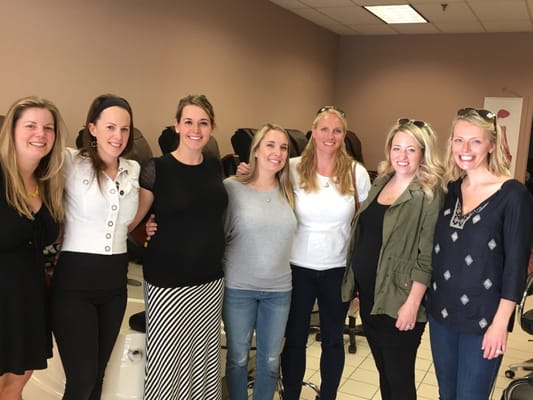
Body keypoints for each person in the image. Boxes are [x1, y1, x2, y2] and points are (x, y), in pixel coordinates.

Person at [426, 107, 533, 400]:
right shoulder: (451, 190)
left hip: (484, 320)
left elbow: (516, 266)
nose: (465, 149)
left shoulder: (512, 195)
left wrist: (501, 323)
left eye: (475, 141)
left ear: (491, 145)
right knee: (446, 393)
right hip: (441, 313)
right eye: (459, 140)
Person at [341, 119, 445, 400]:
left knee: (399, 382)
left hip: (400, 301)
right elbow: (365, 236)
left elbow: (427, 256)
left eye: (411, 149)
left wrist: (412, 304)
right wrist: (355, 287)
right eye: (397, 148)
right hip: (372, 297)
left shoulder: (429, 193)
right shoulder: (382, 181)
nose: (402, 155)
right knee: (385, 375)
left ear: (424, 153)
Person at [133, 94, 228, 400]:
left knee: (203, 364)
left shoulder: (215, 167)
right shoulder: (156, 168)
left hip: (210, 281)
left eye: (203, 122)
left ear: (212, 126)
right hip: (167, 284)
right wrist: (143, 230)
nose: (195, 129)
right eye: (188, 121)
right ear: (176, 125)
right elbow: (132, 219)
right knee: (166, 367)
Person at [50, 94, 139, 400]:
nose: (118, 136)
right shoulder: (70, 162)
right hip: (75, 284)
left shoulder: (134, 169)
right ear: (92, 128)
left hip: (115, 284)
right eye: (110, 127)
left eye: (125, 129)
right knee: (82, 379)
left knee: (98, 376)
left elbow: (130, 219)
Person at [280, 106, 371, 400]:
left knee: (333, 340)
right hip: (296, 268)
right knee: (294, 339)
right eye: (324, 129)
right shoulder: (291, 167)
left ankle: (327, 395)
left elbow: (366, 226)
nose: (330, 136)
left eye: (337, 130)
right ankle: (290, 394)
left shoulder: (356, 173)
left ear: (344, 135)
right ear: (313, 132)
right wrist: (244, 173)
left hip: (337, 271)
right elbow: (260, 186)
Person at [223, 123, 297, 400]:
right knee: (239, 359)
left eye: (283, 147)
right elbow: (212, 233)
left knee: (269, 363)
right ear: (255, 150)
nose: (277, 152)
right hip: (238, 289)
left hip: (278, 292)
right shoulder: (231, 189)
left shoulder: (290, 190)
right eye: (270, 145)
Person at [0, 96, 66, 399]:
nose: (40, 134)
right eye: (30, 125)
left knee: (15, 385)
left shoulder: (47, 183)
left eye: (48, 128)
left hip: (28, 295)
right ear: (11, 131)